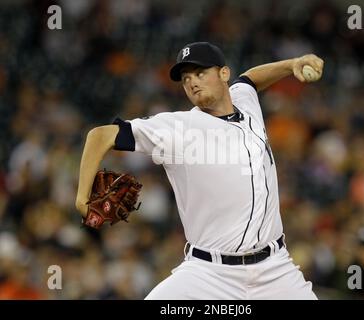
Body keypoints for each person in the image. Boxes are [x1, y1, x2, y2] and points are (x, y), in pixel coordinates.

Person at [75, 42, 324, 299]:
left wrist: (290, 64)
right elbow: (100, 136)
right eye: (186, 79)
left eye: (200, 73)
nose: (192, 82)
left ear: (223, 74)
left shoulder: (245, 103)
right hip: (209, 276)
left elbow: (249, 79)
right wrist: (82, 198)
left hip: (276, 270)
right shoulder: (177, 129)